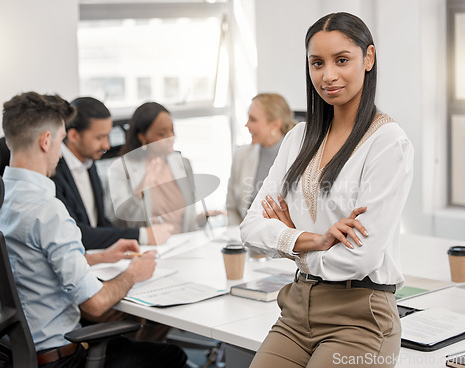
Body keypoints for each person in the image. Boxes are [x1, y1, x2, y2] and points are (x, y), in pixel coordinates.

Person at [241, 13, 413, 368]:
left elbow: (359, 258)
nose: (328, 75)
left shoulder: (386, 142)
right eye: (317, 63)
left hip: (359, 317)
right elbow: (251, 229)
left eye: (342, 60)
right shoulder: (297, 138)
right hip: (295, 309)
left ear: (368, 59)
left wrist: (291, 241)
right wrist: (317, 239)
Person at [0, 91, 187, 367]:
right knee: (171, 356)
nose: (60, 151)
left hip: (7, 353)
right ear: (47, 141)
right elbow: (94, 303)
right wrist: (133, 273)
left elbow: (26, 261)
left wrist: (98, 257)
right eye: (59, 141)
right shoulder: (47, 209)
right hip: (58, 358)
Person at [51, 97, 173, 249]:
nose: (106, 145)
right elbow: (75, 233)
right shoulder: (53, 170)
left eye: (108, 135)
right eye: (100, 137)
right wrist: (142, 235)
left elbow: (101, 223)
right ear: (74, 136)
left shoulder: (89, 163)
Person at [107, 102, 219, 235]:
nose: (170, 138)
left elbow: (186, 222)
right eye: (162, 134)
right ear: (142, 137)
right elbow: (119, 222)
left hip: (184, 244)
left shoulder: (183, 164)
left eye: (172, 130)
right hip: (149, 247)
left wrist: (202, 218)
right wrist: (143, 184)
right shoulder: (121, 169)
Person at [226, 93, 296, 226]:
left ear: (275, 125)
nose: (247, 125)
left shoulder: (298, 157)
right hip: (246, 240)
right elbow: (232, 207)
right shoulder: (241, 156)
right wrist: (237, 238)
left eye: (253, 119)